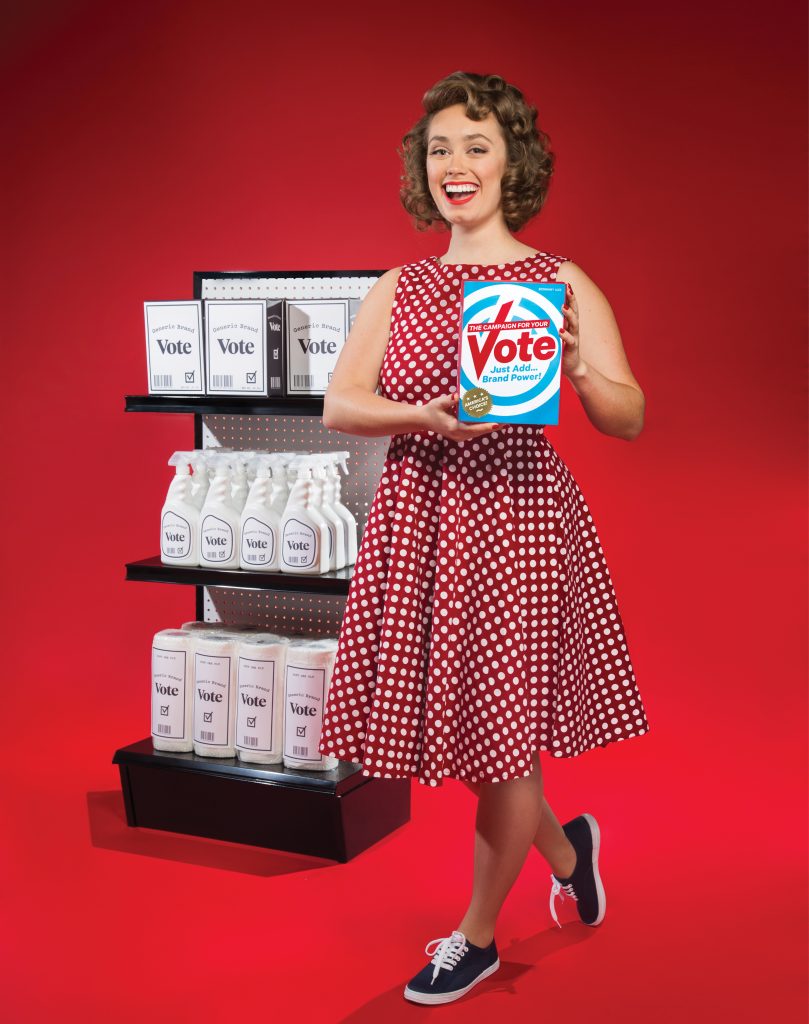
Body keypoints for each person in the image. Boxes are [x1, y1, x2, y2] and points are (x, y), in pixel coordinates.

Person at [317, 70, 651, 1006]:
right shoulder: (402, 284)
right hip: (423, 517)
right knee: (467, 735)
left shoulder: (558, 282)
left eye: (476, 146)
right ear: (421, 172)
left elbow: (627, 418)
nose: (455, 166)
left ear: (514, 162)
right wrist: (423, 413)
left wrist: (582, 366)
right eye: (438, 150)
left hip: (518, 522)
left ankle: (477, 937)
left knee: (501, 741)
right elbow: (341, 404)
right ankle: (565, 845)